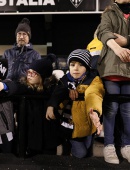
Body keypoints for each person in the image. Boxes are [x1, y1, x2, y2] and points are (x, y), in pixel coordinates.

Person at [0, 54, 60, 156]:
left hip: (48, 137)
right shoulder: (26, 87)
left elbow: (59, 94)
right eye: (29, 72)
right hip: (30, 138)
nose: (29, 75)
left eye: (34, 73)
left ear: (43, 76)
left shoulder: (53, 89)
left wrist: (51, 105)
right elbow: (16, 86)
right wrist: (3, 85)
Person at [46, 49, 105, 158]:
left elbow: (94, 94)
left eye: (80, 65)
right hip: (68, 126)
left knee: (87, 152)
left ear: (87, 67)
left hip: (87, 125)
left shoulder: (93, 80)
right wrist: (51, 105)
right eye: (72, 65)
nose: (75, 68)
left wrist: (95, 112)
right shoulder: (64, 80)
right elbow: (57, 93)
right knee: (80, 153)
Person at [97, 0, 130, 164]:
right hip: (110, 70)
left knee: (127, 111)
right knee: (111, 110)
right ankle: (109, 146)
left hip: (129, 72)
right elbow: (103, 33)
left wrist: (126, 41)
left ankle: (127, 146)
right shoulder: (109, 13)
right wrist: (118, 48)